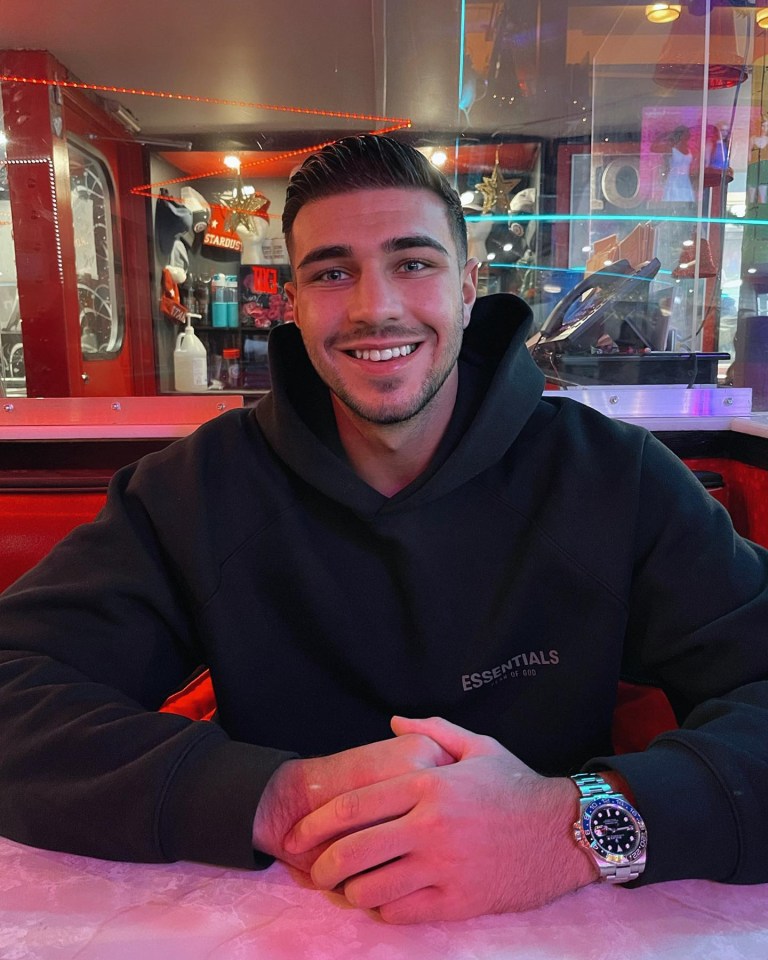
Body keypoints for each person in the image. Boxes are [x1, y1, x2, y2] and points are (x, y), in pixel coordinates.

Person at [1, 135, 767, 925]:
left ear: (468, 288)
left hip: (554, 917)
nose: (376, 307)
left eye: (413, 262)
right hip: (275, 918)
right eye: (332, 272)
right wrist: (273, 796)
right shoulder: (196, 489)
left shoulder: (613, 477)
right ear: (292, 305)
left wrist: (571, 827)